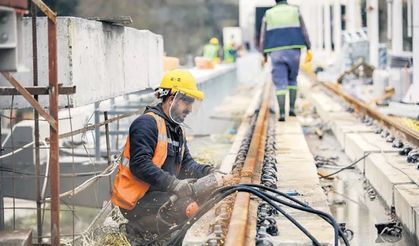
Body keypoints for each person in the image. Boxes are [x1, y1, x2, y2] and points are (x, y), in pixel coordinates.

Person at [111, 69, 217, 244]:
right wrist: (174, 184)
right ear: (171, 98)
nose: (190, 108)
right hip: (137, 200)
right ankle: (136, 229)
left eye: (192, 103)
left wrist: (210, 172)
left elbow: (187, 165)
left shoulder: (176, 130)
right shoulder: (146, 124)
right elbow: (140, 164)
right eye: (187, 101)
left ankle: (161, 232)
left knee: (207, 198)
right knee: (189, 208)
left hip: (159, 193)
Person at [259, 0, 312, 121]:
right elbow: (304, 30)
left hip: (276, 52)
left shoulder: (269, 14)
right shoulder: (295, 11)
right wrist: (308, 47)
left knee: (280, 83)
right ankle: (292, 109)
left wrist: (264, 54)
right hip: (294, 51)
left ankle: (282, 113)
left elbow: (263, 36)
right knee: (292, 81)